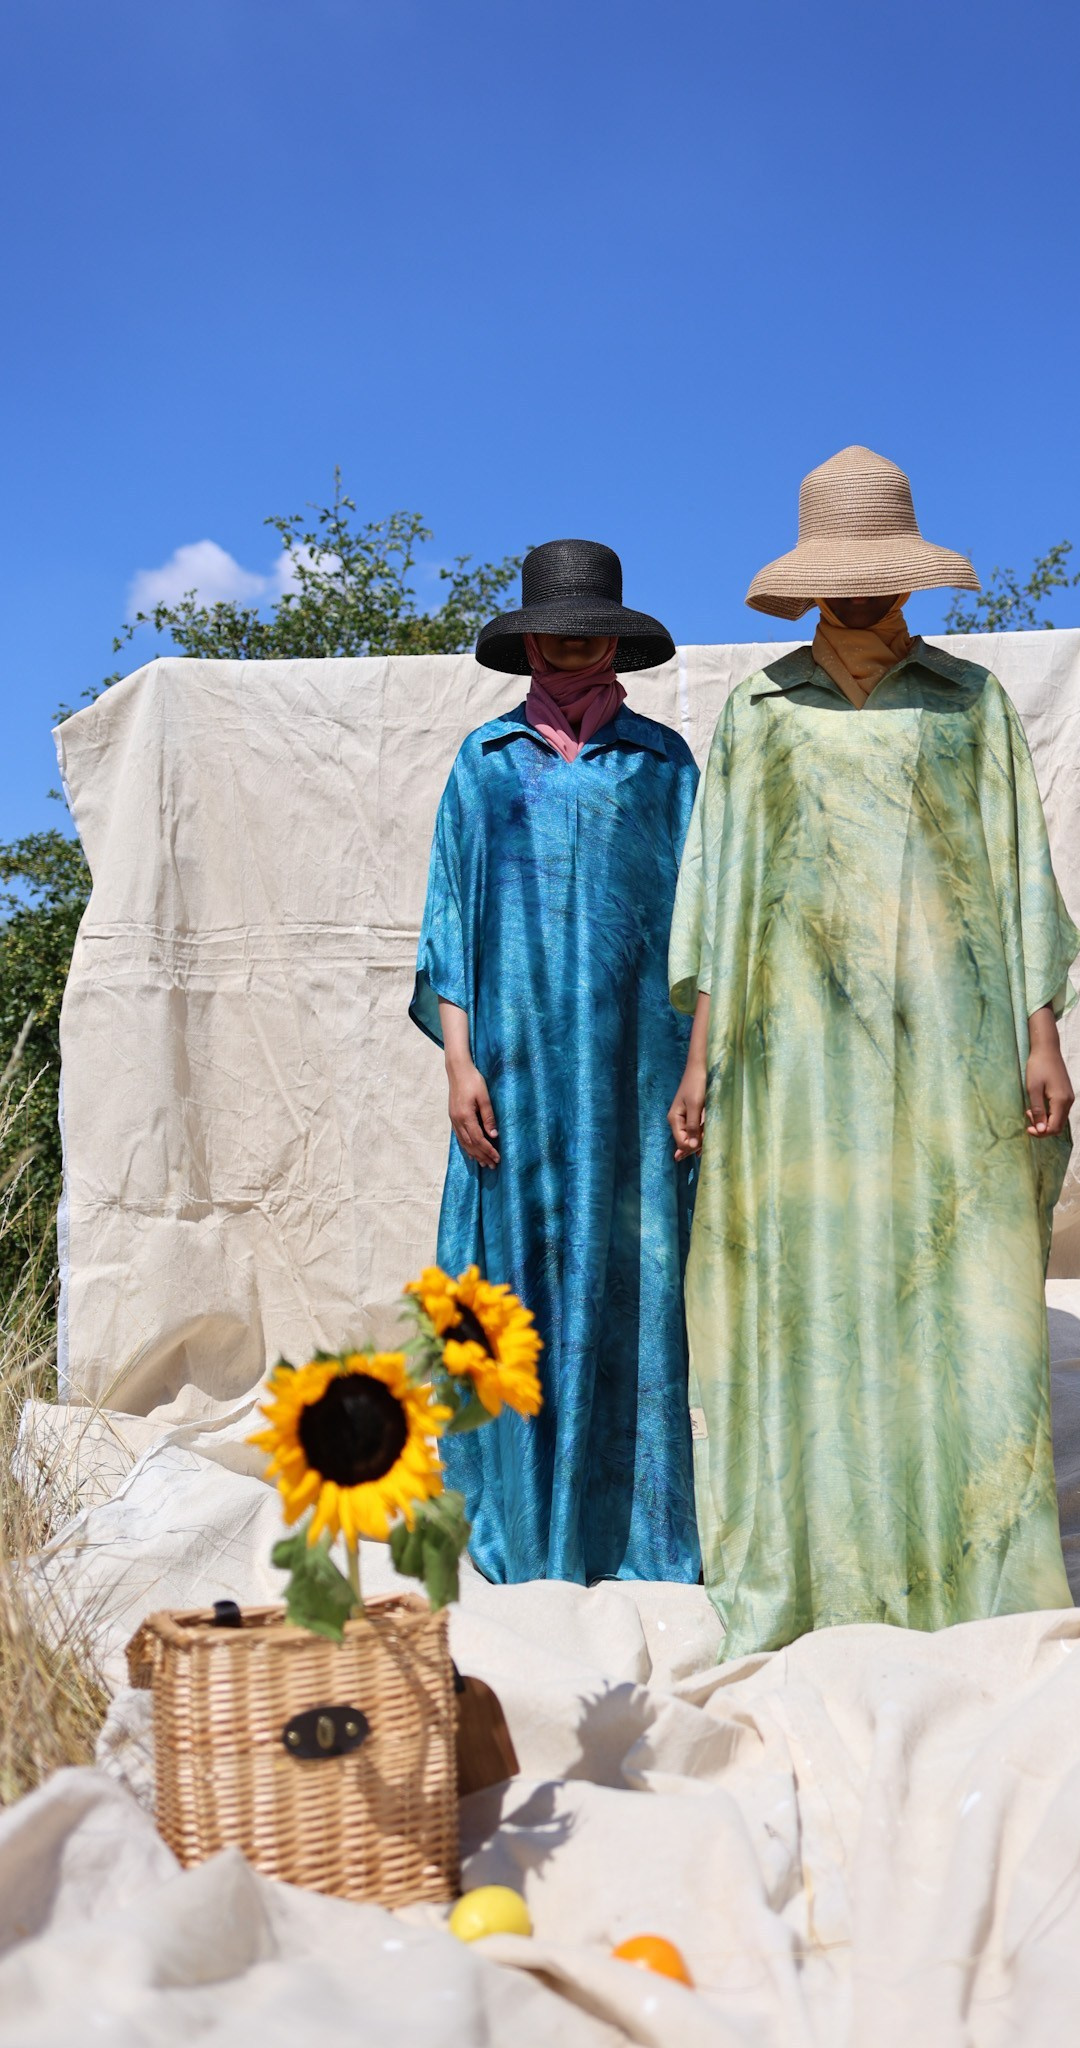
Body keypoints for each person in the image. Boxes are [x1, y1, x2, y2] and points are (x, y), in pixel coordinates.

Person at [667, 446, 1080, 1659]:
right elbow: (721, 898)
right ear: (808, 580)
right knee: (812, 1275)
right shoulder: (760, 711)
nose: (856, 592)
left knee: (958, 1275)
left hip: (952, 1044)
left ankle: (969, 1558)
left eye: (874, 571)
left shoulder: (970, 703)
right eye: (838, 574)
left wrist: (1041, 1032)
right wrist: (699, 1057)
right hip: (792, 1055)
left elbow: (1019, 871)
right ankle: (815, 1560)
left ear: (908, 573)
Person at [411, 539, 701, 1586]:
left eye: (589, 628)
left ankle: (634, 1532)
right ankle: (519, 1526)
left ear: (614, 638)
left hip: (634, 1075)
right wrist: (458, 1062)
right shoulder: (484, 762)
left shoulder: (663, 764)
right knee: (512, 1275)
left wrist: (695, 1069)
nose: (572, 644)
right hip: (514, 1072)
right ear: (528, 638)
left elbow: (704, 929)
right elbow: (448, 921)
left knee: (634, 1275)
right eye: (555, 627)